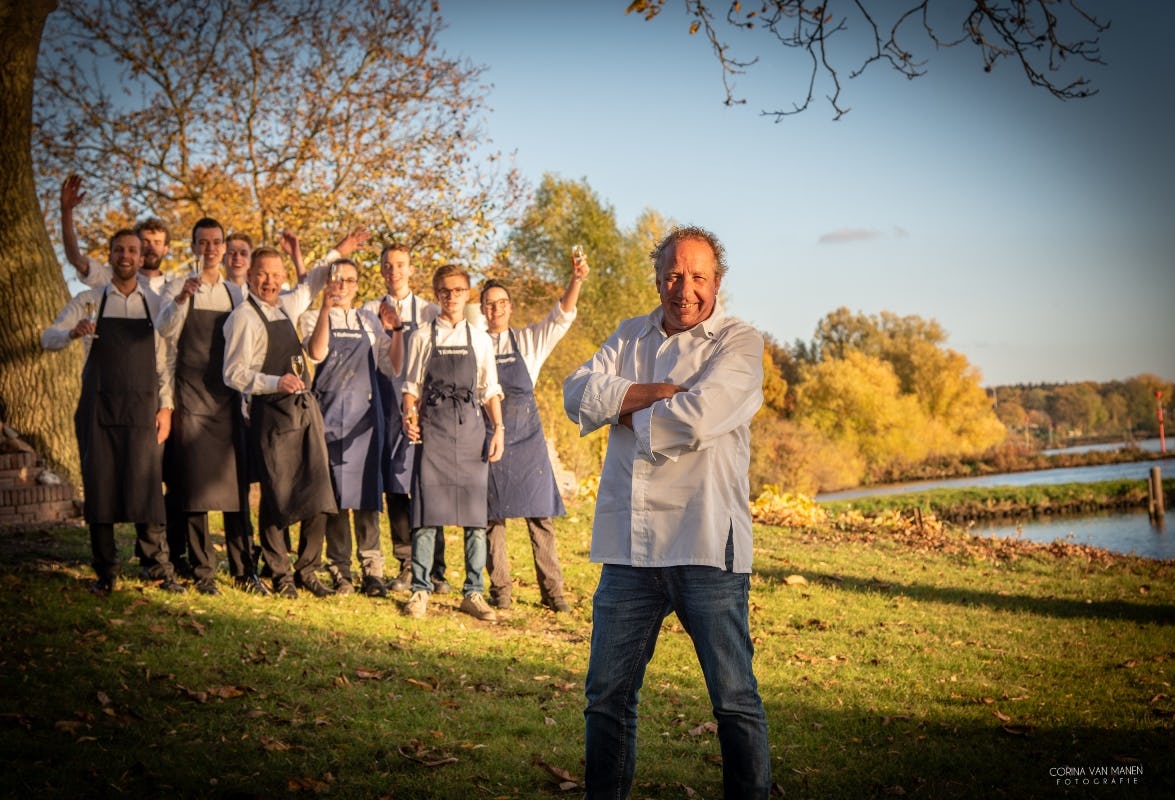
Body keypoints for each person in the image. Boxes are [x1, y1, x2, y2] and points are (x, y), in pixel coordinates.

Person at [562, 226, 771, 798]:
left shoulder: (740, 341)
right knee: (606, 696)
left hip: (706, 542)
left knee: (733, 699)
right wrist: (654, 392)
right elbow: (575, 391)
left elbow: (701, 416)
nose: (685, 290)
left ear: (717, 282)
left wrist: (622, 408)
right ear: (657, 281)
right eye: (674, 276)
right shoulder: (629, 336)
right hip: (629, 550)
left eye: (698, 277)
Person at [222, 229, 367, 597]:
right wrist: (274, 382)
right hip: (269, 413)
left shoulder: (285, 306)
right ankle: (281, 575)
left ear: (283, 277)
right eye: (262, 274)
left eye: (276, 274)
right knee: (277, 495)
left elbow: (315, 279)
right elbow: (232, 373)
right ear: (251, 276)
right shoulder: (242, 317)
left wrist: (341, 249)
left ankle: (307, 570)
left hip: (304, 410)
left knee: (319, 491)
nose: (269, 281)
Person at [41, 228, 184, 596]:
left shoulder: (154, 303)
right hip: (97, 409)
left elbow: (164, 362)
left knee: (148, 486)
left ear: (141, 258)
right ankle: (105, 572)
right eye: (119, 249)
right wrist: (72, 334)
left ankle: (158, 568)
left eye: (133, 251)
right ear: (111, 255)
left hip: (143, 410)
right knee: (100, 486)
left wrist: (166, 407)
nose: (126, 256)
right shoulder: (89, 301)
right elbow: (48, 337)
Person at [479, 249, 589, 612]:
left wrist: (576, 280)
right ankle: (501, 591)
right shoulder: (475, 345)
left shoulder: (528, 341)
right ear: (482, 310)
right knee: (491, 516)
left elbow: (561, 317)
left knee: (540, 516)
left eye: (501, 303)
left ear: (510, 307)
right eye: (489, 304)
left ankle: (553, 592)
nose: (495, 310)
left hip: (527, 439)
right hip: (488, 437)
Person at [400, 265, 504, 620]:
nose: (452, 297)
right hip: (434, 431)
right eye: (445, 291)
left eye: (458, 290)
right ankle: (420, 590)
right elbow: (411, 387)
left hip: (472, 431)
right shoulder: (421, 337)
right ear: (436, 294)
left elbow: (490, 389)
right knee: (427, 514)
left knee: (475, 517)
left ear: (467, 293)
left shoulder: (480, 339)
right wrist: (408, 417)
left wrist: (499, 429)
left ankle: (473, 592)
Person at [156, 217, 253, 595]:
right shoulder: (177, 287)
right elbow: (164, 332)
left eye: (216, 242)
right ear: (193, 246)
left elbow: (246, 346)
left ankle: (244, 568)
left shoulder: (235, 293)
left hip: (227, 399)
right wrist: (182, 299)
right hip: (191, 399)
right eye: (203, 243)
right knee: (195, 489)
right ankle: (203, 572)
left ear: (224, 247)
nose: (210, 249)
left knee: (233, 489)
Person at [299, 258, 403, 597]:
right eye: (336, 279)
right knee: (337, 498)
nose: (341, 285)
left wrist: (395, 330)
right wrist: (326, 310)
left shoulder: (369, 320)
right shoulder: (311, 317)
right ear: (327, 283)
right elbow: (316, 354)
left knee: (367, 498)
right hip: (327, 416)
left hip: (365, 421)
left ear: (358, 286)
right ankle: (340, 570)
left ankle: (372, 571)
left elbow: (391, 365)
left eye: (349, 280)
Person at [360, 244, 446, 593]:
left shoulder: (430, 311)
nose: (393, 271)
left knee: (427, 486)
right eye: (387, 265)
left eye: (400, 265)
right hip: (385, 406)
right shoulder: (368, 311)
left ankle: (436, 567)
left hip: (425, 407)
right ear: (380, 270)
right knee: (395, 487)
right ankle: (407, 563)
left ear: (411, 269)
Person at [60, 174, 171, 294]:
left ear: (166, 249)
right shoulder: (111, 278)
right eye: (146, 241)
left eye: (157, 242)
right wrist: (66, 211)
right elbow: (76, 259)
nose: (151, 247)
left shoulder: (174, 289)